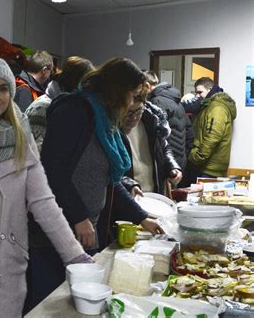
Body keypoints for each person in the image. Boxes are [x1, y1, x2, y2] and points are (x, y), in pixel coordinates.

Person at [0, 56, 91, 317]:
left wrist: (75, 256)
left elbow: (43, 202)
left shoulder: (22, 137)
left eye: (3, 88)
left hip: (9, 272)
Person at [25, 58, 163, 312]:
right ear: (118, 90)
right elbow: (53, 171)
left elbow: (109, 182)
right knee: (47, 305)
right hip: (55, 232)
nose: (133, 103)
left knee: (78, 307)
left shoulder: (105, 119)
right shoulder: (75, 111)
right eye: (132, 95)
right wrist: (79, 217)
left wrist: (142, 217)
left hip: (85, 228)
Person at [25, 56, 94, 152]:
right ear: (75, 82)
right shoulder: (43, 107)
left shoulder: (66, 108)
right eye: (86, 84)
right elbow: (33, 153)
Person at [120, 95, 183, 196]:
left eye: (138, 111)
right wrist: (129, 184)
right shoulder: (110, 129)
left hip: (154, 193)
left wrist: (172, 166)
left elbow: (164, 147)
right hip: (128, 196)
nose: (134, 117)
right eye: (128, 112)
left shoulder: (150, 121)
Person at [146, 71, 194, 173]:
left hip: (167, 158)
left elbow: (156, 133)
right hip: (180, 157)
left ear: (147, 85)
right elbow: (189, 132)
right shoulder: (176, 101)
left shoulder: (156, 102)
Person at [189, 77, 237, 177]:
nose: (198, 96)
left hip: (209, 168)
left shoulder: (217, 108)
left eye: (200, 92)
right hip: (208, 166)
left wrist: (197, 157)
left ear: (209, 89)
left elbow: (212, 137)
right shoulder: (208, 105)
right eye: (196, 93)